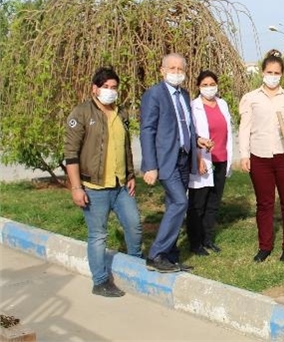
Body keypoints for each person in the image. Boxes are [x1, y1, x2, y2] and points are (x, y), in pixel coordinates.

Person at [64, 67, 143, 297]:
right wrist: (77, 187)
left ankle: (134, 266)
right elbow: (71, 153)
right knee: (98, 235)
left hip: (120, 186)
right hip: (94, 188)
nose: (110, 92)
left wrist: (130, 175)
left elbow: (125, 147)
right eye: (106, 87)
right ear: (94, 89)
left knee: (134, 224)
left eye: (114, 88)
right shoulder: (81, 113)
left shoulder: (121, 113)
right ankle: (100, 281)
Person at [239, 49, 284, 263]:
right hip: (260, 156)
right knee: (264, 204)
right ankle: (265, 246)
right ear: (262, 72)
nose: (272, 76)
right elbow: (245, 128)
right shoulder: (250, 98)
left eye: (277, 72)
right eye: (269, 71)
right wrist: (244, 154)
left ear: (282, 74)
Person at [140, 53, 200, 273]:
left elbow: (186, 125)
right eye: (172, 68)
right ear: (162, 70)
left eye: (180, 69)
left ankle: (171, 257)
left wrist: (197, 145)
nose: (176, 73)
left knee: (173, 205)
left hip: (184, 157)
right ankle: (156, 253)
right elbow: (147, 131)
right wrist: (150, 165)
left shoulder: (184, 94)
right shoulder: (154, 95)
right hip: (166, 161)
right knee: (179, 203)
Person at [186, 70, 233, 256]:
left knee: (213, 202)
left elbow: (227, 131)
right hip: (203, 161)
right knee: (198, 204)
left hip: (220, 159)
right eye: (204, 85)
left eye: (212, 84)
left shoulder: (222, 104)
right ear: (198, 87)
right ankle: (195, 242)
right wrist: (198, 158)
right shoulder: (193, 107)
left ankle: (207, 238)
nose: (209, 88)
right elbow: (191, 136)